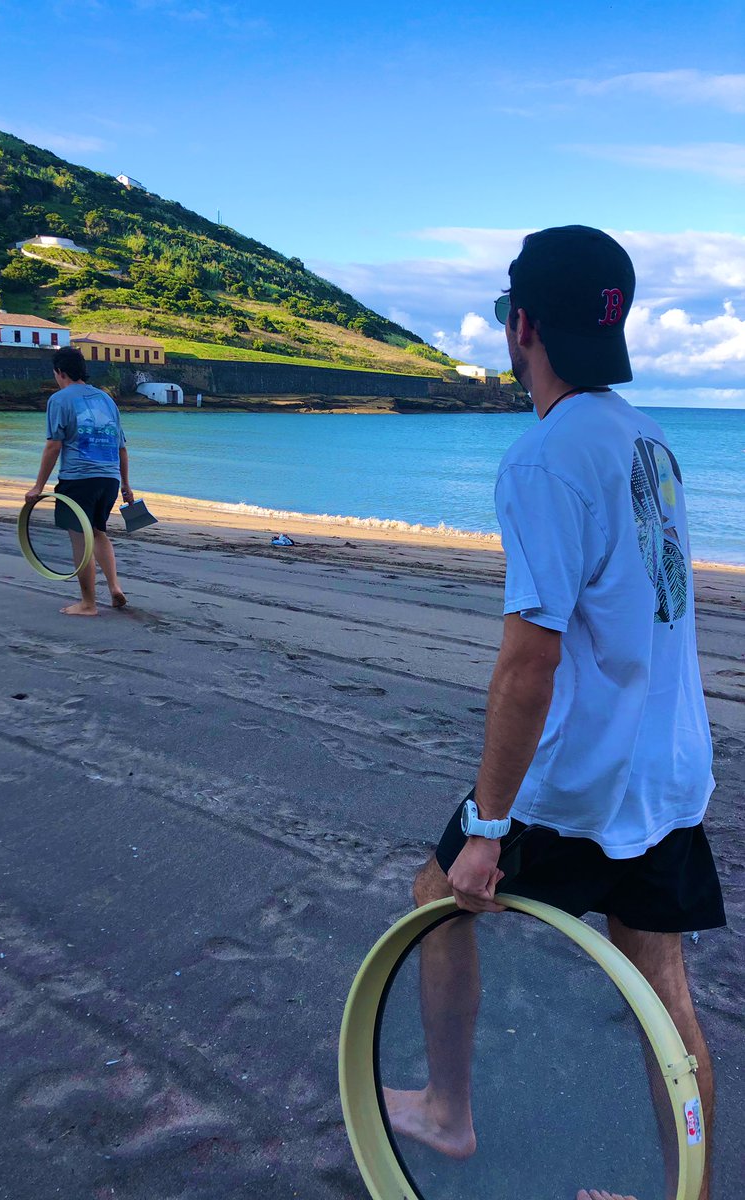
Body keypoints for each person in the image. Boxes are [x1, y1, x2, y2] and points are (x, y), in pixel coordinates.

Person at [383, 226, 725, 1200]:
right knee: (661, 985)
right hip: (667, 766)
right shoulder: (649, 438)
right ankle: (685, 1193)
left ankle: (449, 1114)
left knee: (436, 899)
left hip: (577, 779)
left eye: (505, 313)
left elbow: (529, 666)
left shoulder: (541, 460)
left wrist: (489, 827)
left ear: (521, 325)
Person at [26, 346, 134, 616]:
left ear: (59, 372)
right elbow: (121, 446)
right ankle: (114, 588)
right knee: (98, 532)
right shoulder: (107, 400)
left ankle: (88, 603)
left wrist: (38, 486)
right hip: (108, 478)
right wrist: (125, 484)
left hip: (79, 478)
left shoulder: (60, 399)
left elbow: (54, 446)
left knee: (79, 538)